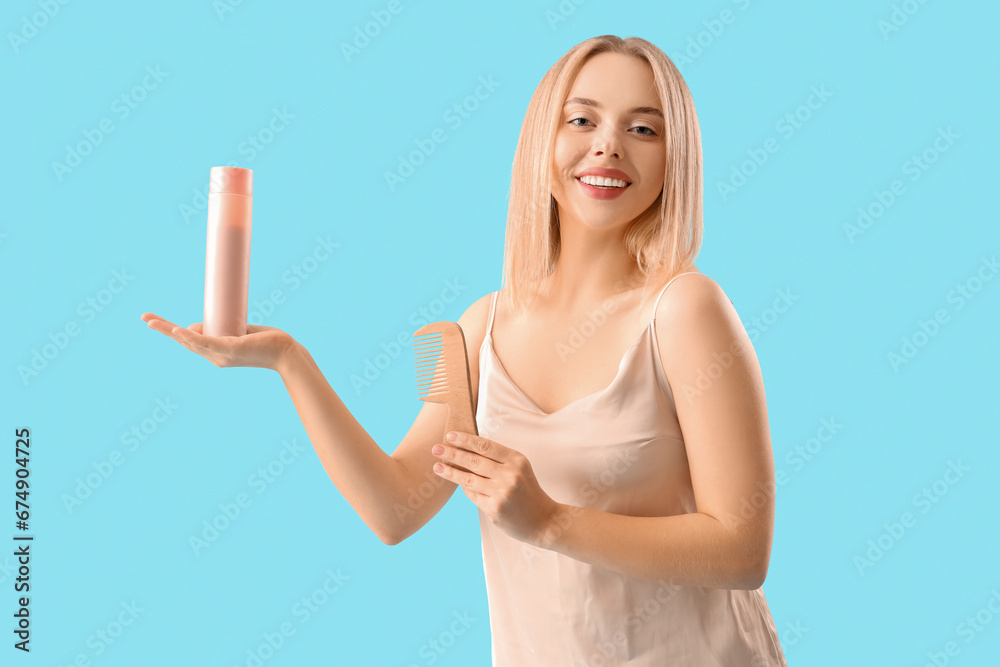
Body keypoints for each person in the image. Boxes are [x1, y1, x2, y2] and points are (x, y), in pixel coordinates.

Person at [142, 34, 787, 666]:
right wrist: (290, 362)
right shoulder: (481, 328)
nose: (607, 146)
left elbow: (742, 548)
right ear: (543, 140)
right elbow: (396, 508)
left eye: (643, 129)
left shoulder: (684, 311)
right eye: (581, 119)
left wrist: (552, 523)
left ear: (677, 158)